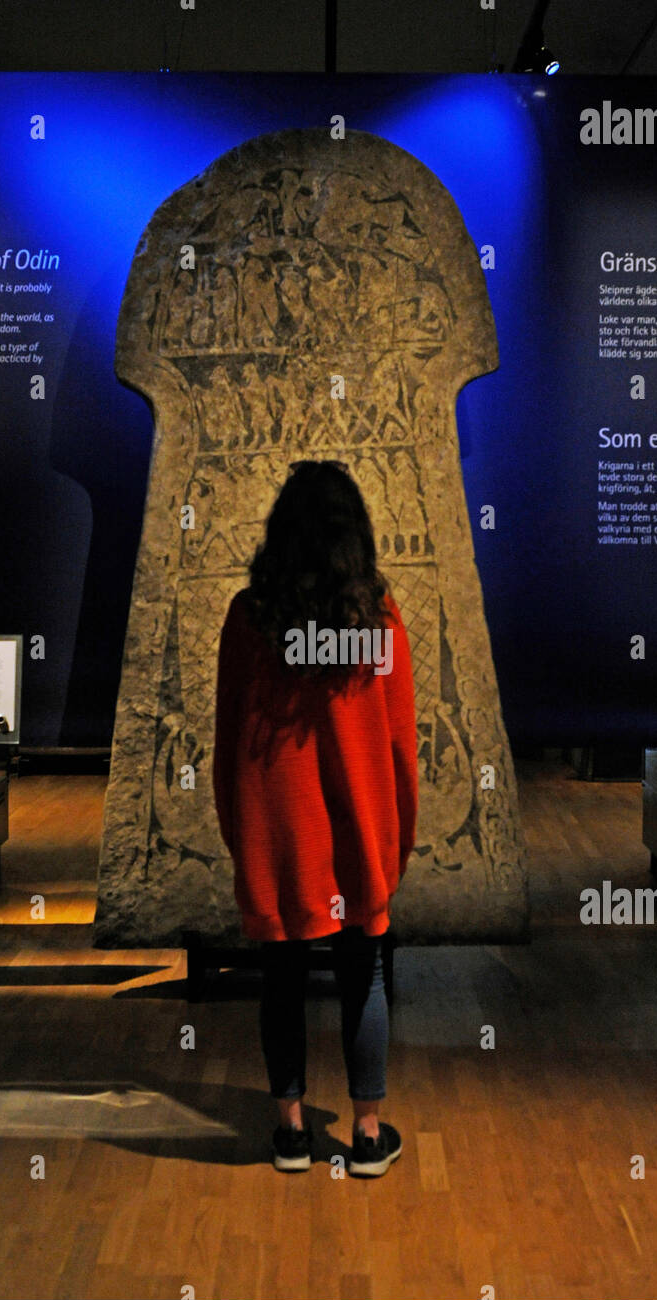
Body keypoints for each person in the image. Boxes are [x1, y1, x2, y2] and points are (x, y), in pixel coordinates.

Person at [212, 459, 418, 1177]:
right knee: (365, 971)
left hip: (279, 827)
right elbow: (398, 742)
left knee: (282, 974)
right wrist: (397, 841)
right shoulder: (379, 616)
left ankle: (291, 1132)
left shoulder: (250, 616)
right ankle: (366, 1134)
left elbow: (228, 731)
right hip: (357, 825)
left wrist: (239, 832)